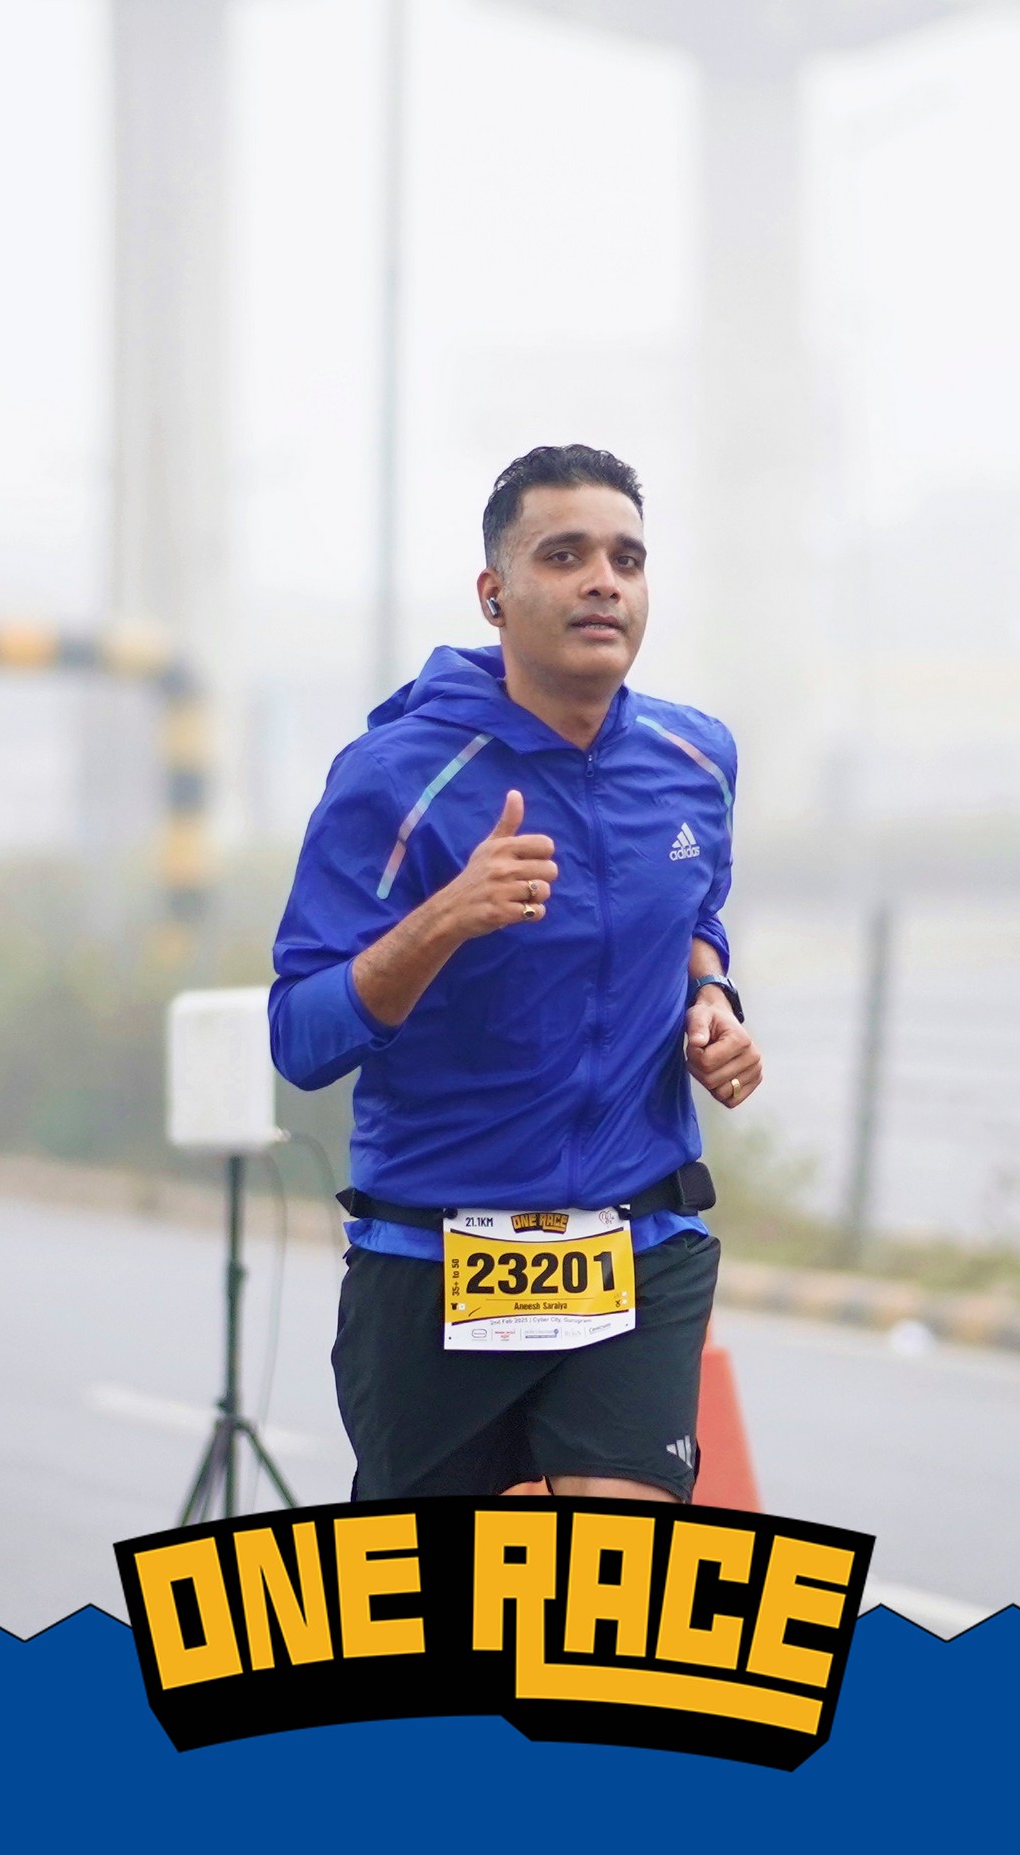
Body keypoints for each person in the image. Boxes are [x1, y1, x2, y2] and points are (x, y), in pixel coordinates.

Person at [271, 443, 763, 1502]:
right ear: (494, 594)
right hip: (436, 1260)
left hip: (639, 1240)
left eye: (627, 558)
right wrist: (445, 918)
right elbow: (301, 1037)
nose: (604, 582)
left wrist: (712, 996)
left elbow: (695, 909)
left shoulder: (696, 760)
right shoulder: (396, 777)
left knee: (609, 1575)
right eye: (565, 555)